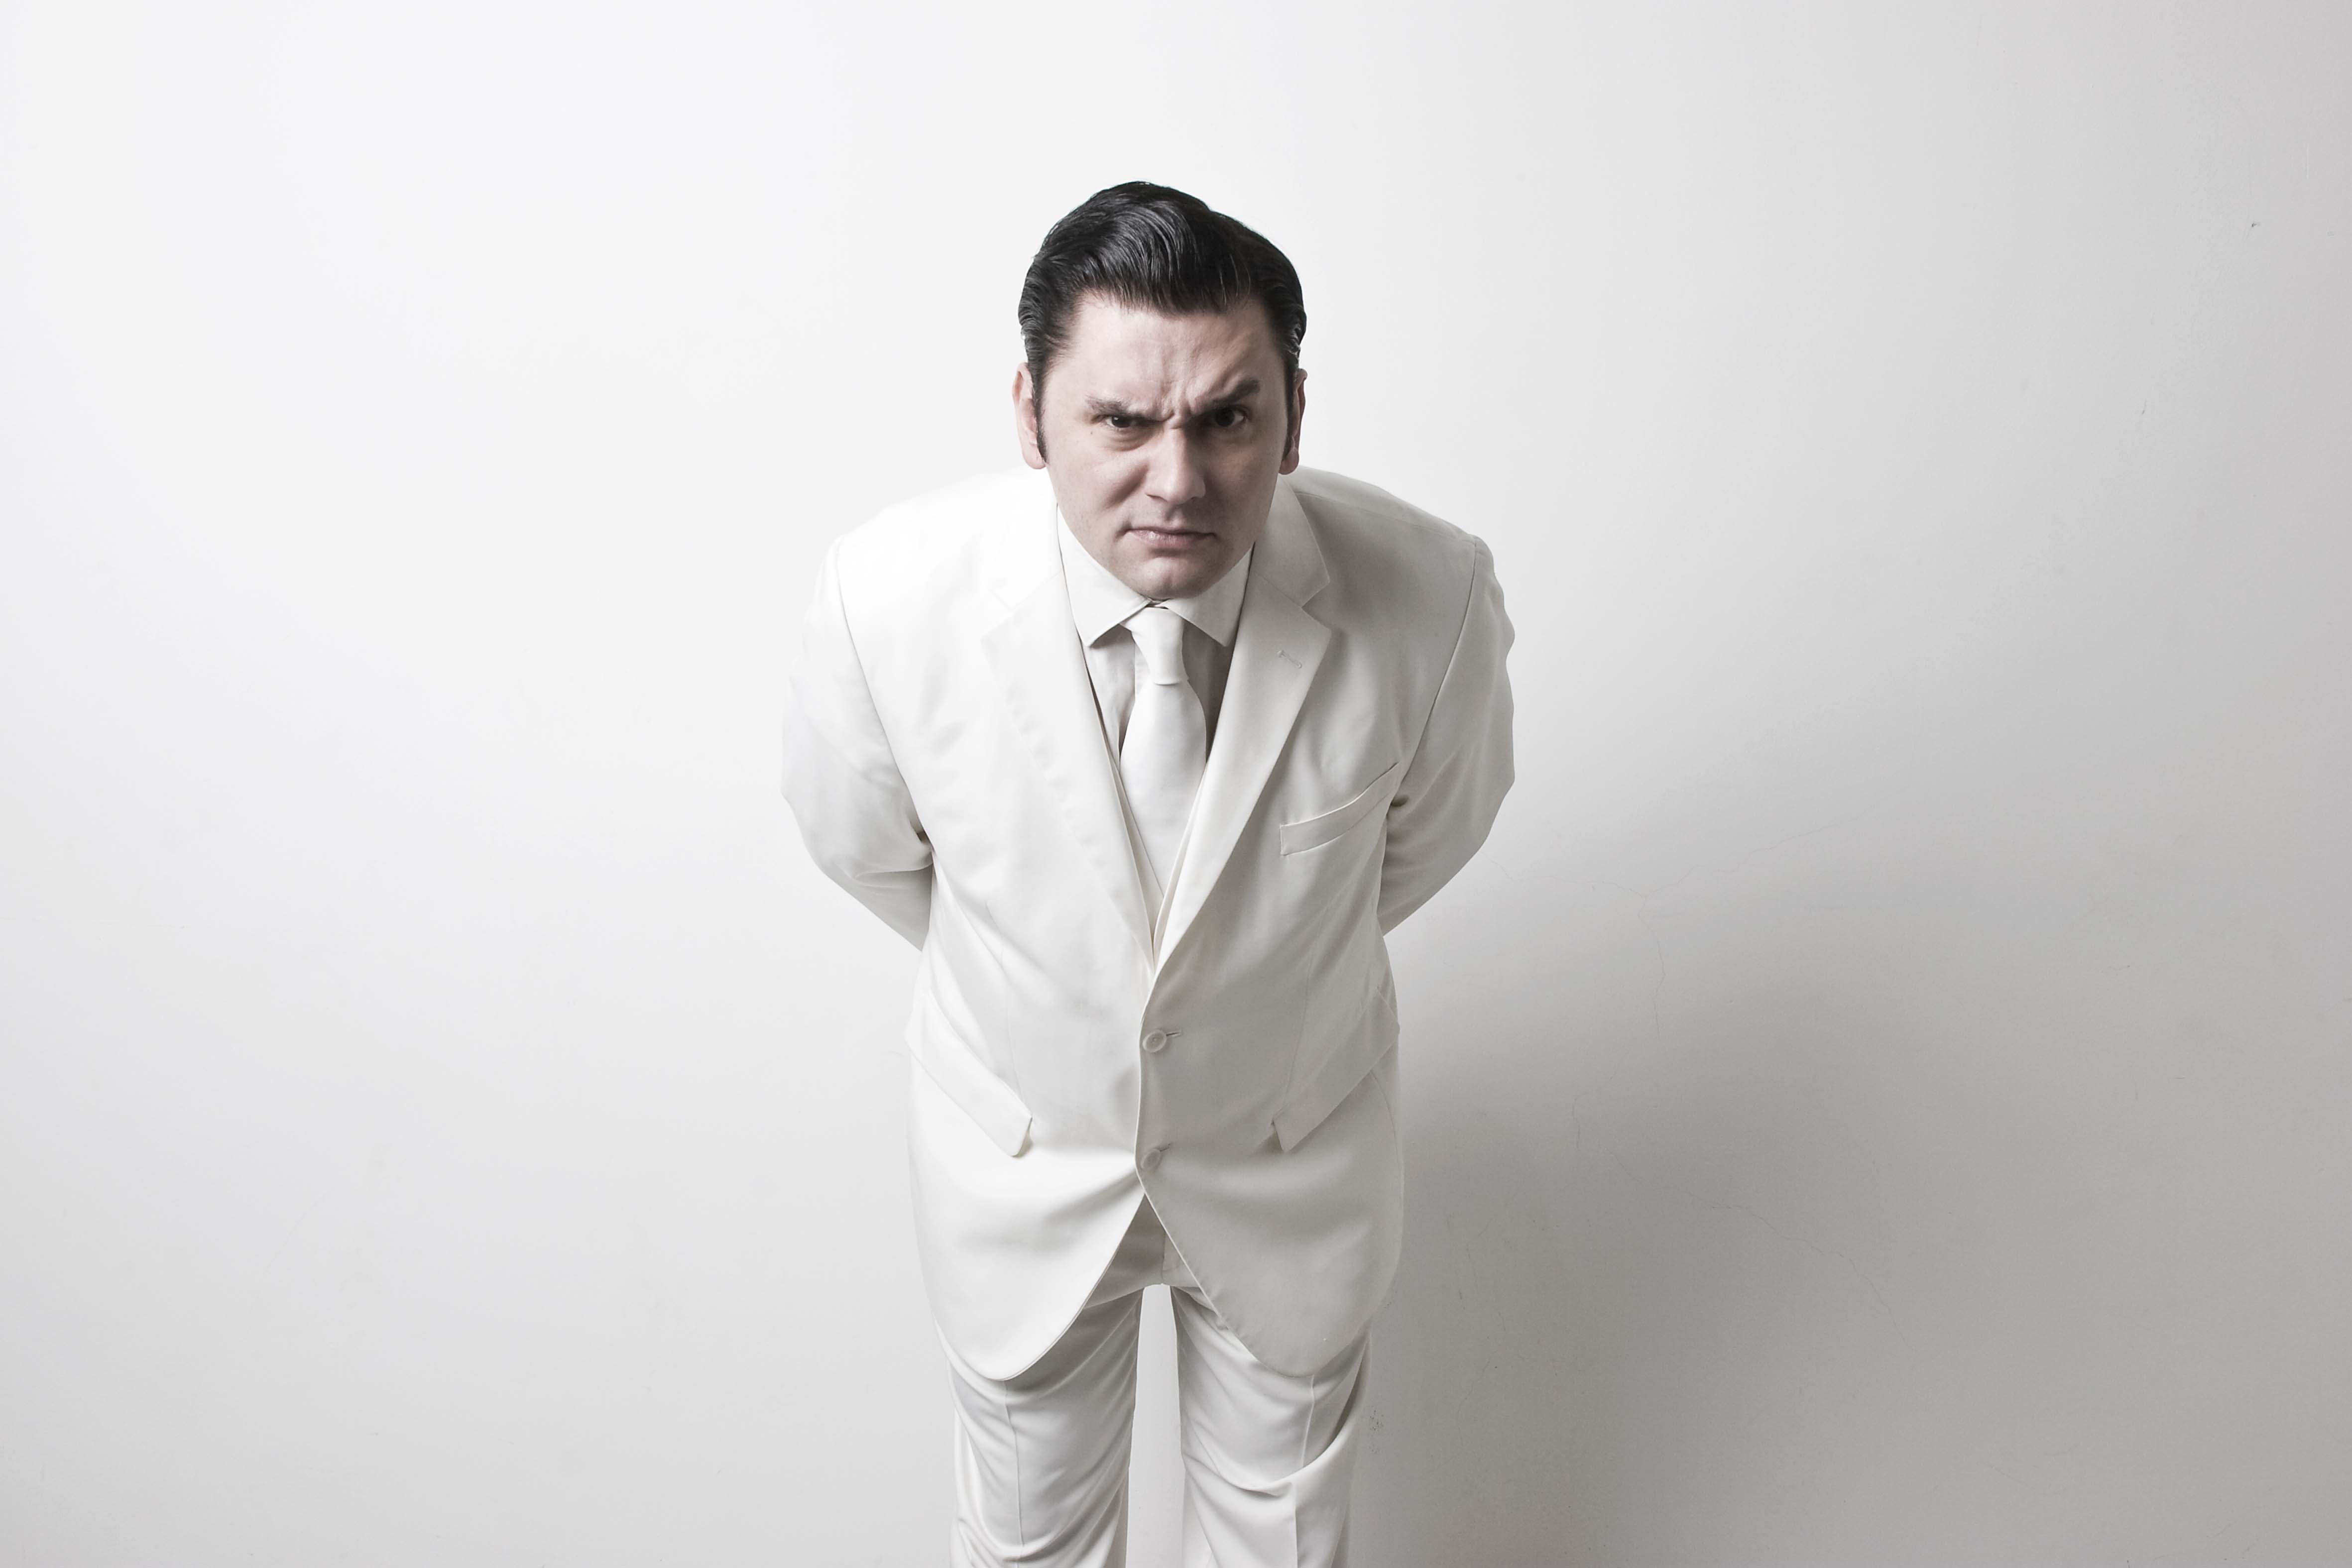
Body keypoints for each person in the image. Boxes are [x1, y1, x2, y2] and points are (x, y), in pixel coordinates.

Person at [781, 181, 1514, 1568]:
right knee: (1028, 1549)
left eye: (1227, 419)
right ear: (1029, 415)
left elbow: (1431, 831)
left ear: (1294, 413)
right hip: (1023, 1161)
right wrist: (1056, 976)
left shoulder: (1435, 596)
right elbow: (863, 846)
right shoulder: (883, 602)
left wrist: (1255, 967)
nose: (1177, 481)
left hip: (1290, 1157)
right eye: (1120, 422)